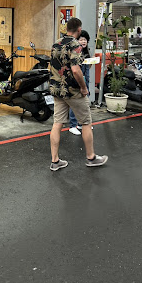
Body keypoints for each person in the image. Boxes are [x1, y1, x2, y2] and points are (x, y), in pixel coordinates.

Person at [49, 17, 108, 171]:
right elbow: (76, 70)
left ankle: (55, 161)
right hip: (73, 91)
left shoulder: (56, 43)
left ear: (67, 28)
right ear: (79, 30)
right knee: (86, 122)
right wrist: (83, 87)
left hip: (57, 90)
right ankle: (91, 157)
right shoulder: (75, 45)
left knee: (57, 123)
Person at [68, 30, 91, 136]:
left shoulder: (87, 52)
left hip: (86, 80)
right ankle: (73, 125)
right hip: (77, 80)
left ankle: (81, 123)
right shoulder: (75, 52)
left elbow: (88, 68)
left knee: (84, 102)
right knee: (75, 102)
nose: (83, 41)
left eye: (85, 40)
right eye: (81, 39)